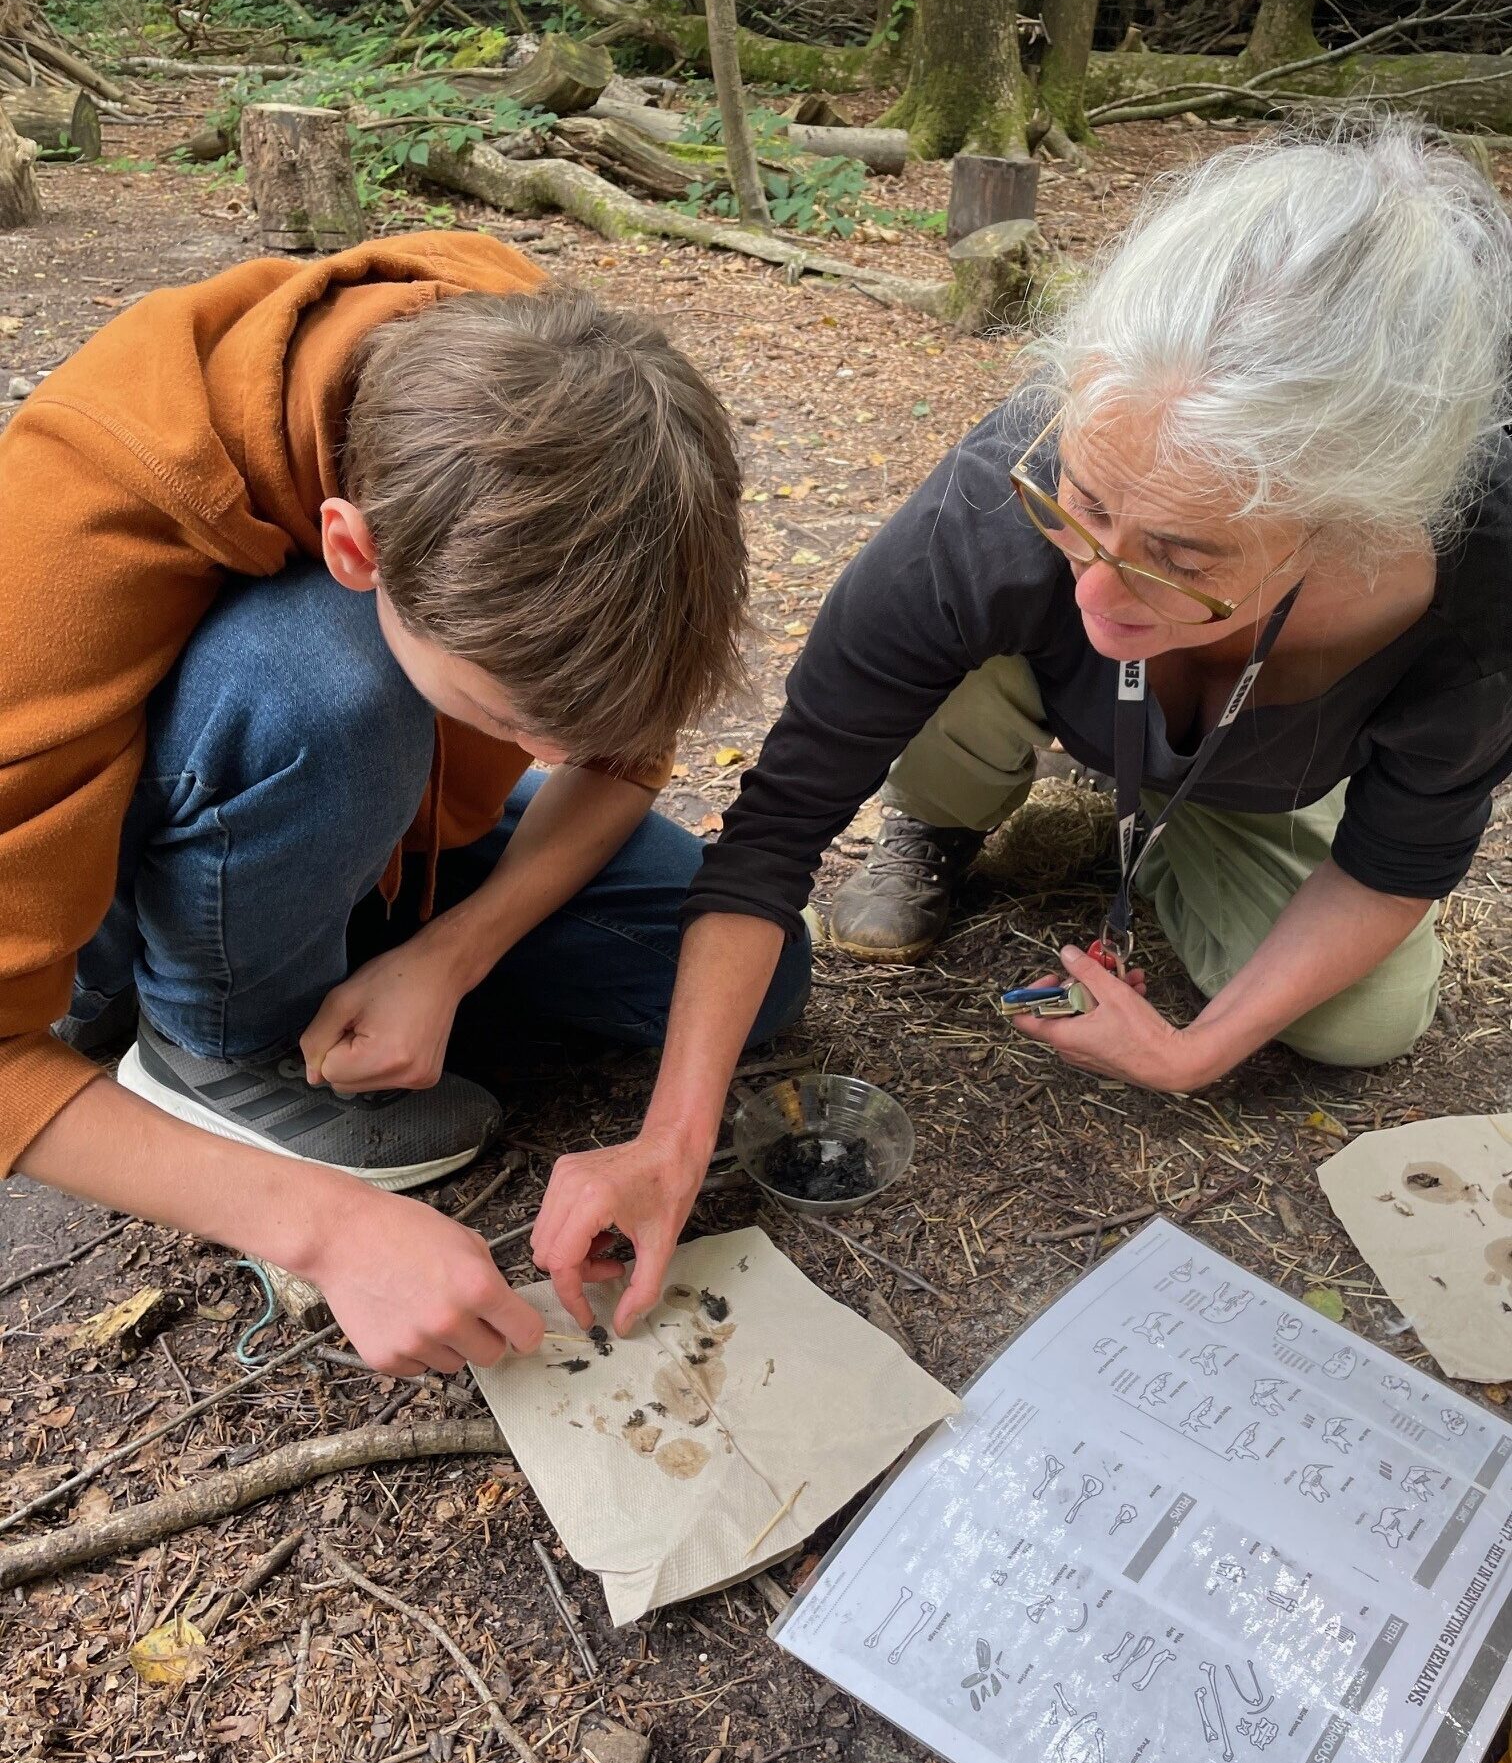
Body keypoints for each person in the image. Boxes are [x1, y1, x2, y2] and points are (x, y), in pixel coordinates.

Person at [532, 121, 1512, 1327]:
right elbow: (778, 822)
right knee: (997, 636)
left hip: (1254, 759)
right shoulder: (1006, 488)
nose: (1097, 593)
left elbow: (1402, 856)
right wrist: (673, 1135)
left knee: (1364, 1024)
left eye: (1183, 558)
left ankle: (1167, 831)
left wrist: (1198, 1053)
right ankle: (945, 813)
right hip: (1033, 696)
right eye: (1083, 507)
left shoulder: (1477, 593)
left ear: (1354, 526)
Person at [3, 232, 809, 1376]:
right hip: (143, 864)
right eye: (514, 716)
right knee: (332, 679)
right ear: (355, 544)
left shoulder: (593, 431)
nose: (561, 754)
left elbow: (615, 754)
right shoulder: (69, 530)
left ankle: (343, 956)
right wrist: (322, 1227)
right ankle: (205, 1052)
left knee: (752, 973)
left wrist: (452, 956)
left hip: (380, 828)